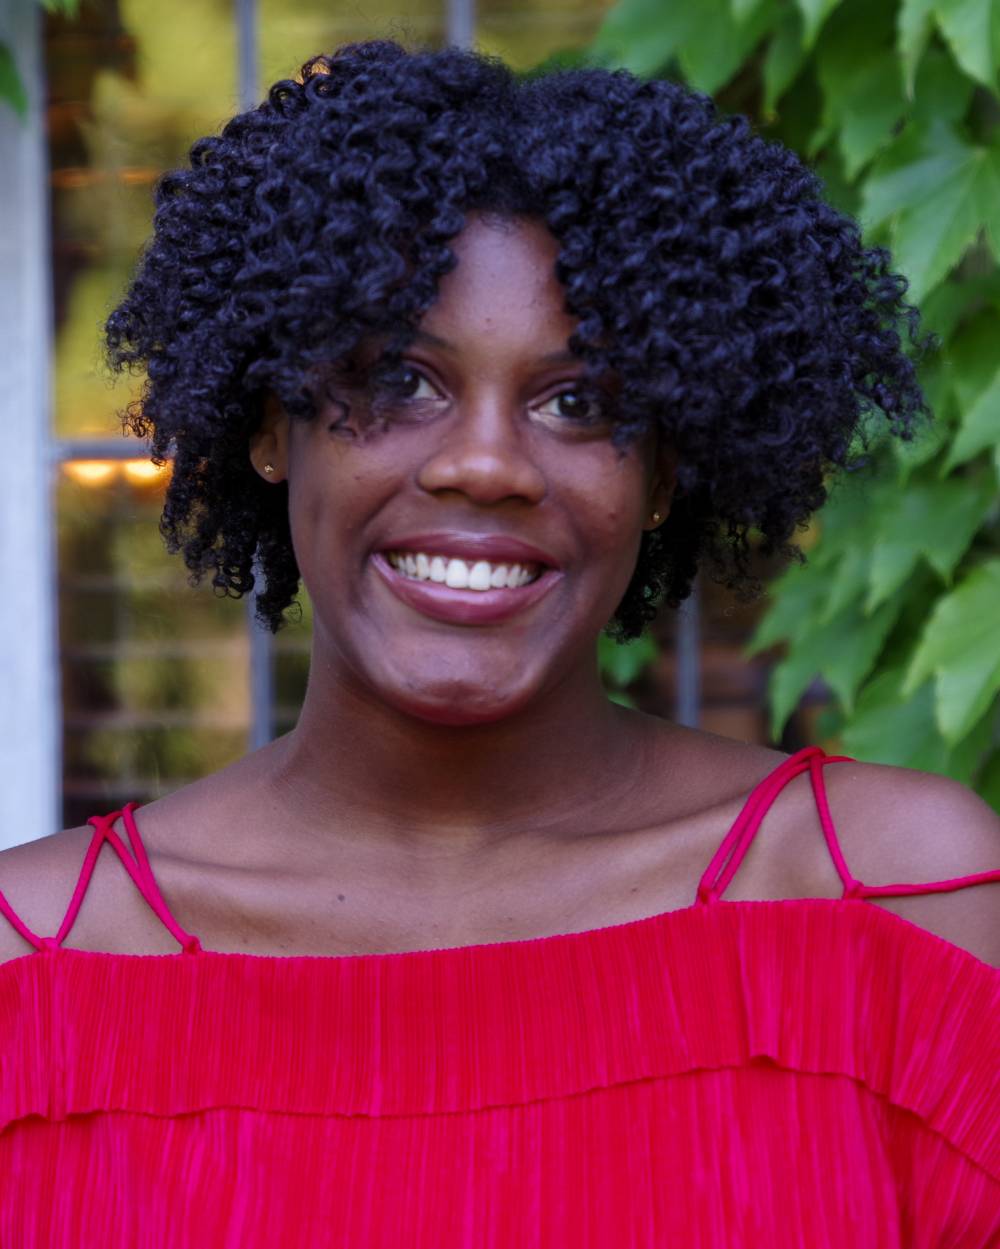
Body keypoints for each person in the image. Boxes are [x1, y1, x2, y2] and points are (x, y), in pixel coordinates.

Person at [0, 39, 997, 1247]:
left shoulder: (892, 905)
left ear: (663, 472)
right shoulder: (32, 965)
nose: (483, 463)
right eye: (400, 381)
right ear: (269, 426)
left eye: (578, 401)